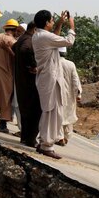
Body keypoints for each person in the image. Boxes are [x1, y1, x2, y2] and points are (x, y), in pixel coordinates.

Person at [32, 10, 76, 159]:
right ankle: (46, 145)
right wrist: (71, 26)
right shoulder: (43, 36)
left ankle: (43, 141)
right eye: (51, 21)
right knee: (52, 113)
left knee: (50, 112)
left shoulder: (40, 35)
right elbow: (68, 41)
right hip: (49, 78)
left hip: (48, 78)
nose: (52, 23)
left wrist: (59, 23)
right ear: (46, 23)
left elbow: (55, 38)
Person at [13, 22, 40, 147]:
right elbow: (25, 49)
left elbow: (14, 48)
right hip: (29, 81)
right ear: (35, 29)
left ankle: (25, 137)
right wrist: (32, 65)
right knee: (33, 111)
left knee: (25, 111)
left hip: (21, 80)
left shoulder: (22, 38)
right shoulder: (29, 40)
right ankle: (30, 139)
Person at [59, 47, 82, 145]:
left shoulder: (53, 62)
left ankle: (59, 137)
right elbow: (75, 80)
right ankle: (66, 136)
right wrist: (78, 93)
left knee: (58, 116)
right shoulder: (70, 64)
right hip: (69, 94)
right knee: (69, 116)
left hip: (57, 93)